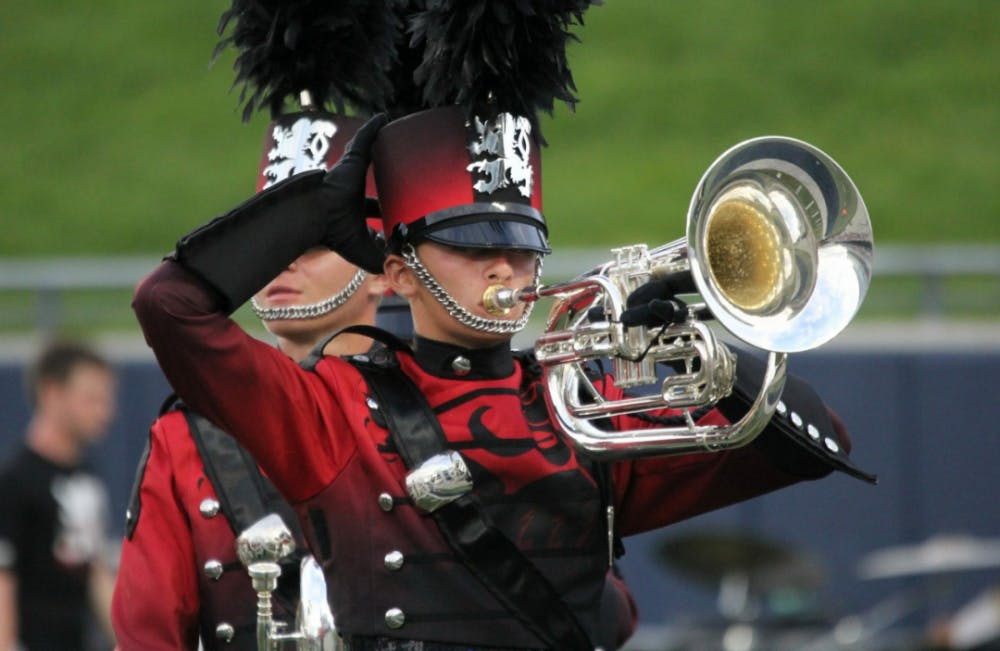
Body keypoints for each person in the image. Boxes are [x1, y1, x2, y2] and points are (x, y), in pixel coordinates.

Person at [131, 3, 871, 649]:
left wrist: (694, 345)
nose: (506, 269)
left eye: (522, 247)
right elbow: (169, 307)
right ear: (396, 270)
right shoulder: (330, 412)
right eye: (474, 246)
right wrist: (311, 204)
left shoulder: (583, 408)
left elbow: (816, 443)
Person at [111, 110, 393, 651]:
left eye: (309, 243)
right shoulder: (185, 439)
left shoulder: (437, 403)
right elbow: (148, 633)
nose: (280, 265)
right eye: (268, 245)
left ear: (382, 269)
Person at [0, 341, 118, 651]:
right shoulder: (14, 480)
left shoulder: (87, 474)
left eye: (106, 399)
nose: (105, 412)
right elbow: (3, 578)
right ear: (51, 393)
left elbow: (95, 571)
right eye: (92, 399)